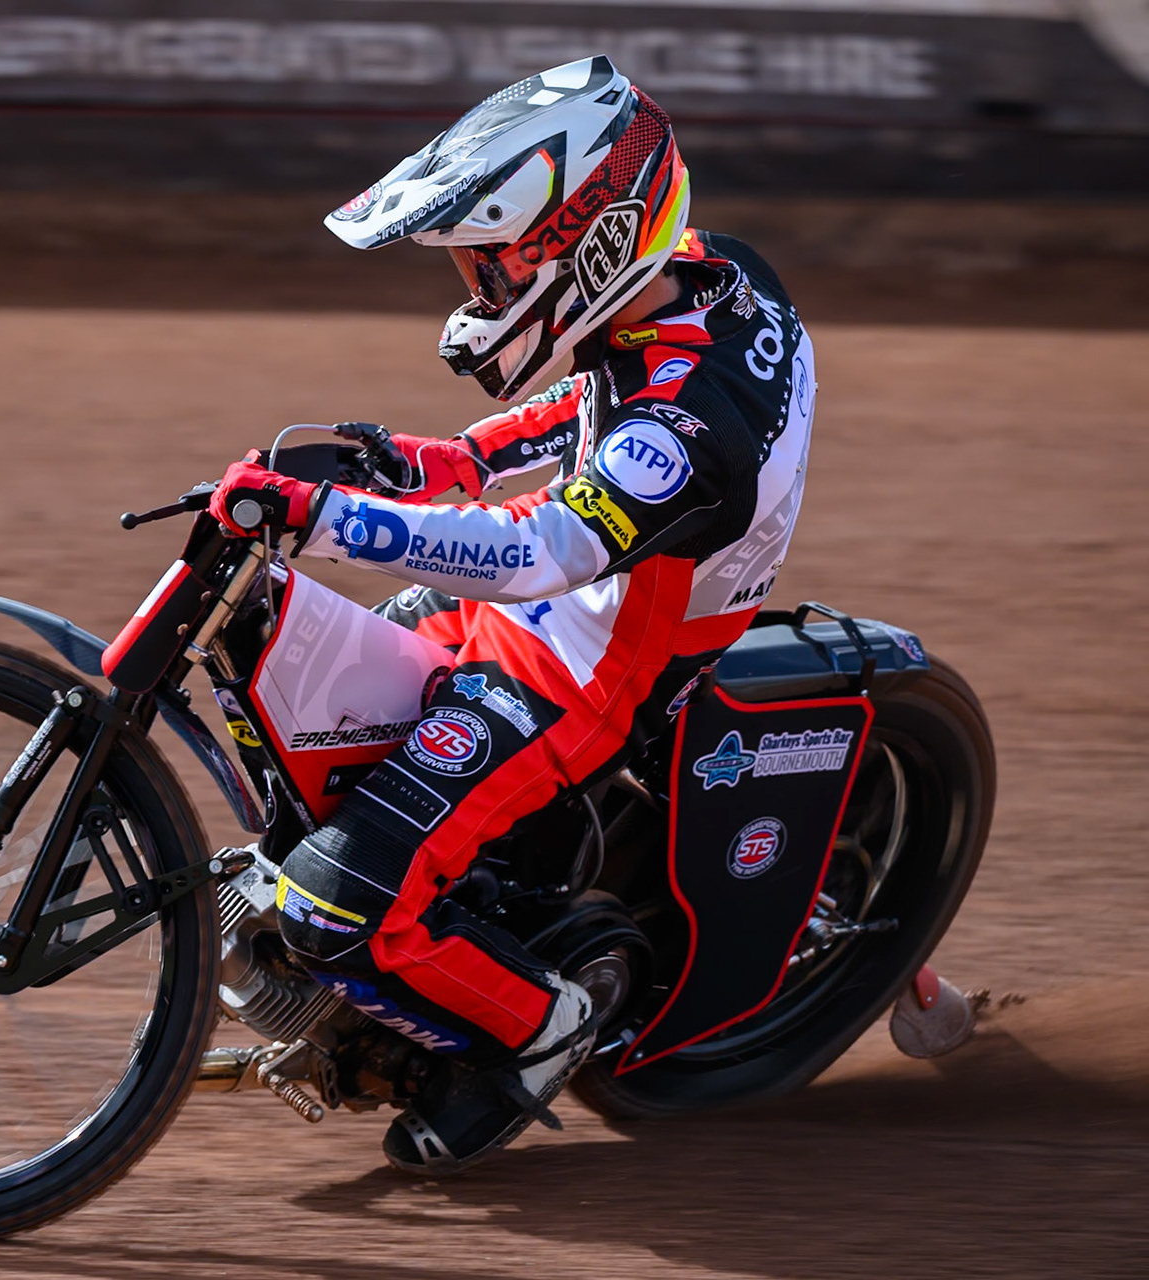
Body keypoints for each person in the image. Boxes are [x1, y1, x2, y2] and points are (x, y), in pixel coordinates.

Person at [209, 55, 816, 1174]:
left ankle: (541, 1026)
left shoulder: (692, 424)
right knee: (303, 732)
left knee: (336, 907)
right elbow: (591, 406)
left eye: (493, 268)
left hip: (580, 677)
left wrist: (328, 516)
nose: (476, 294)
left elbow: (547, 548)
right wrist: (435, 460)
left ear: (591, 244)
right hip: (550, 611)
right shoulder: (710, 277)